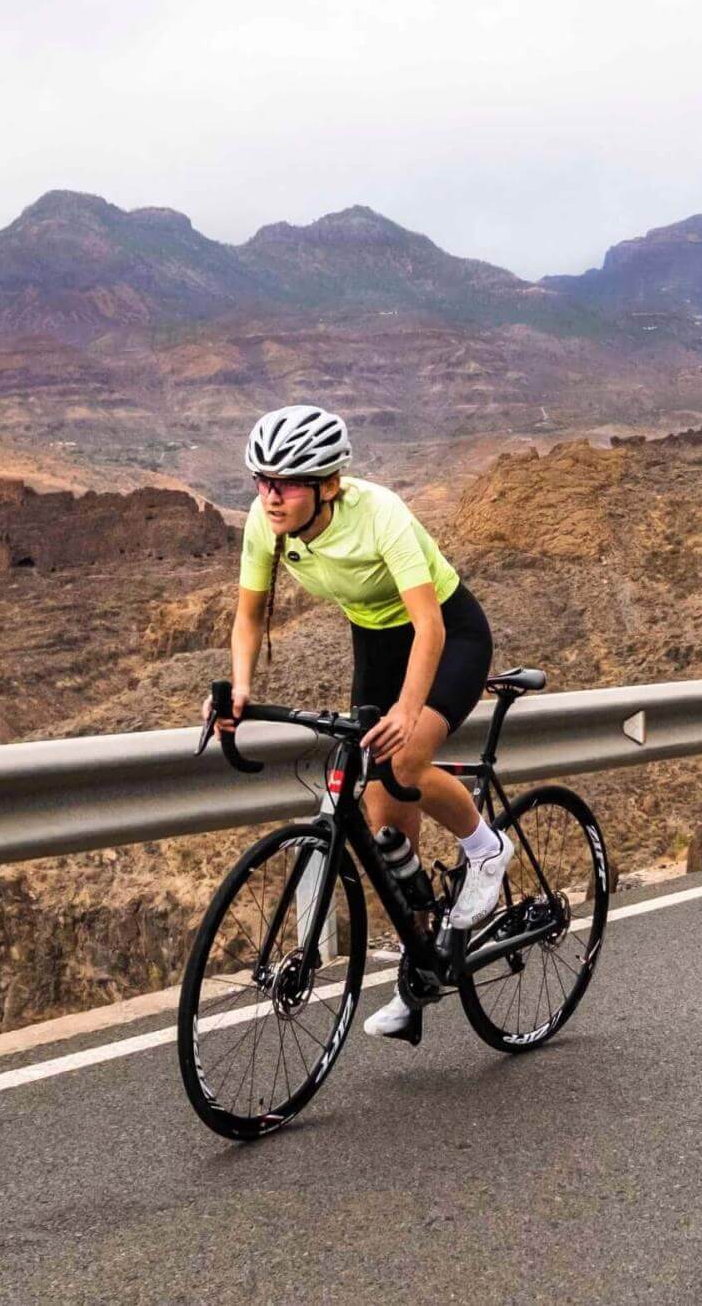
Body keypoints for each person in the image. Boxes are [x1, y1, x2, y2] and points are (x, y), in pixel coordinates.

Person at [210, 404, 507, 1042]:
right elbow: (249, 616)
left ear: (329, 485)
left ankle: (487, 850)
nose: (270, 496)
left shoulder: (379, 513)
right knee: (382, 819)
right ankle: (420, 966)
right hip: (375, 644)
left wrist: (408, 710)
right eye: (262, 480)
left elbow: (429, 626)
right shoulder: (265, 524)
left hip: (448, 633)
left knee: (405, 760)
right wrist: (240, 687)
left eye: (287, 484)